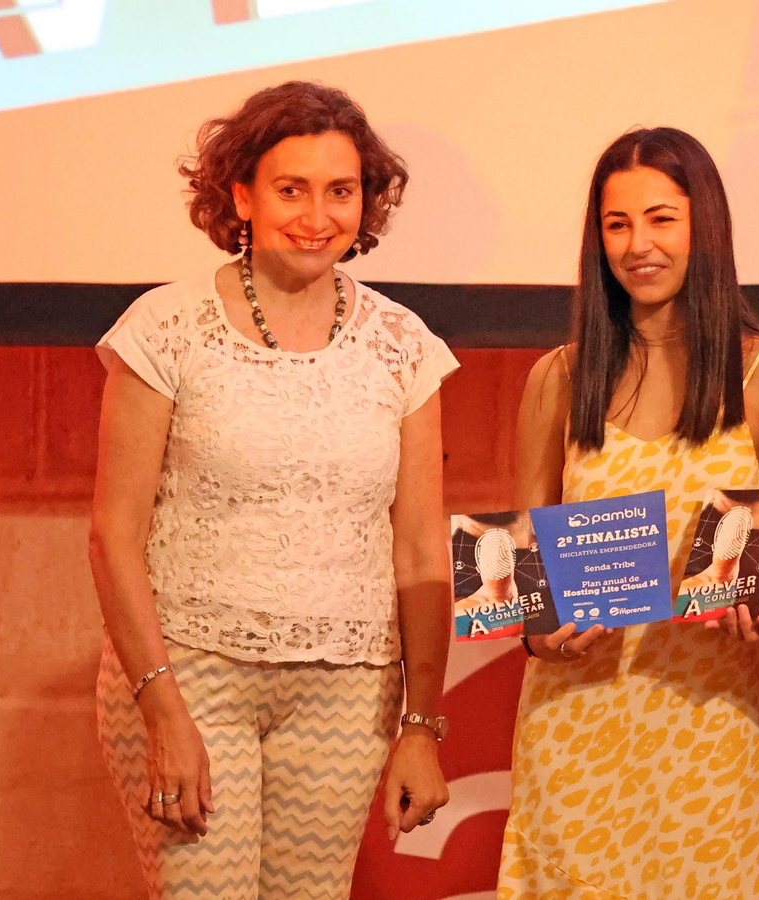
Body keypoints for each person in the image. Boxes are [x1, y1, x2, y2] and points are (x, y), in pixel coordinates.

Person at [88, 81, 456, 899]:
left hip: (348, 694)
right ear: (242, 195)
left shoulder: (405, 345)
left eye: (341, 191)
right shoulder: (165, 328)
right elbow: (113, 535)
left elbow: (423, 547)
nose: (316, 216)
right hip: (188, 675)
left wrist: (421, 725)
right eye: (291, 190)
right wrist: (161, 710)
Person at [496, 127, 759, 900]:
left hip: (713, 736)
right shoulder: (558, 378)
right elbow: (519, 571)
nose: (638, 244)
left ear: (703, 225)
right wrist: (539, 632)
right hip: (574, 733)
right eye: (617, 224)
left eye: (660, 219)